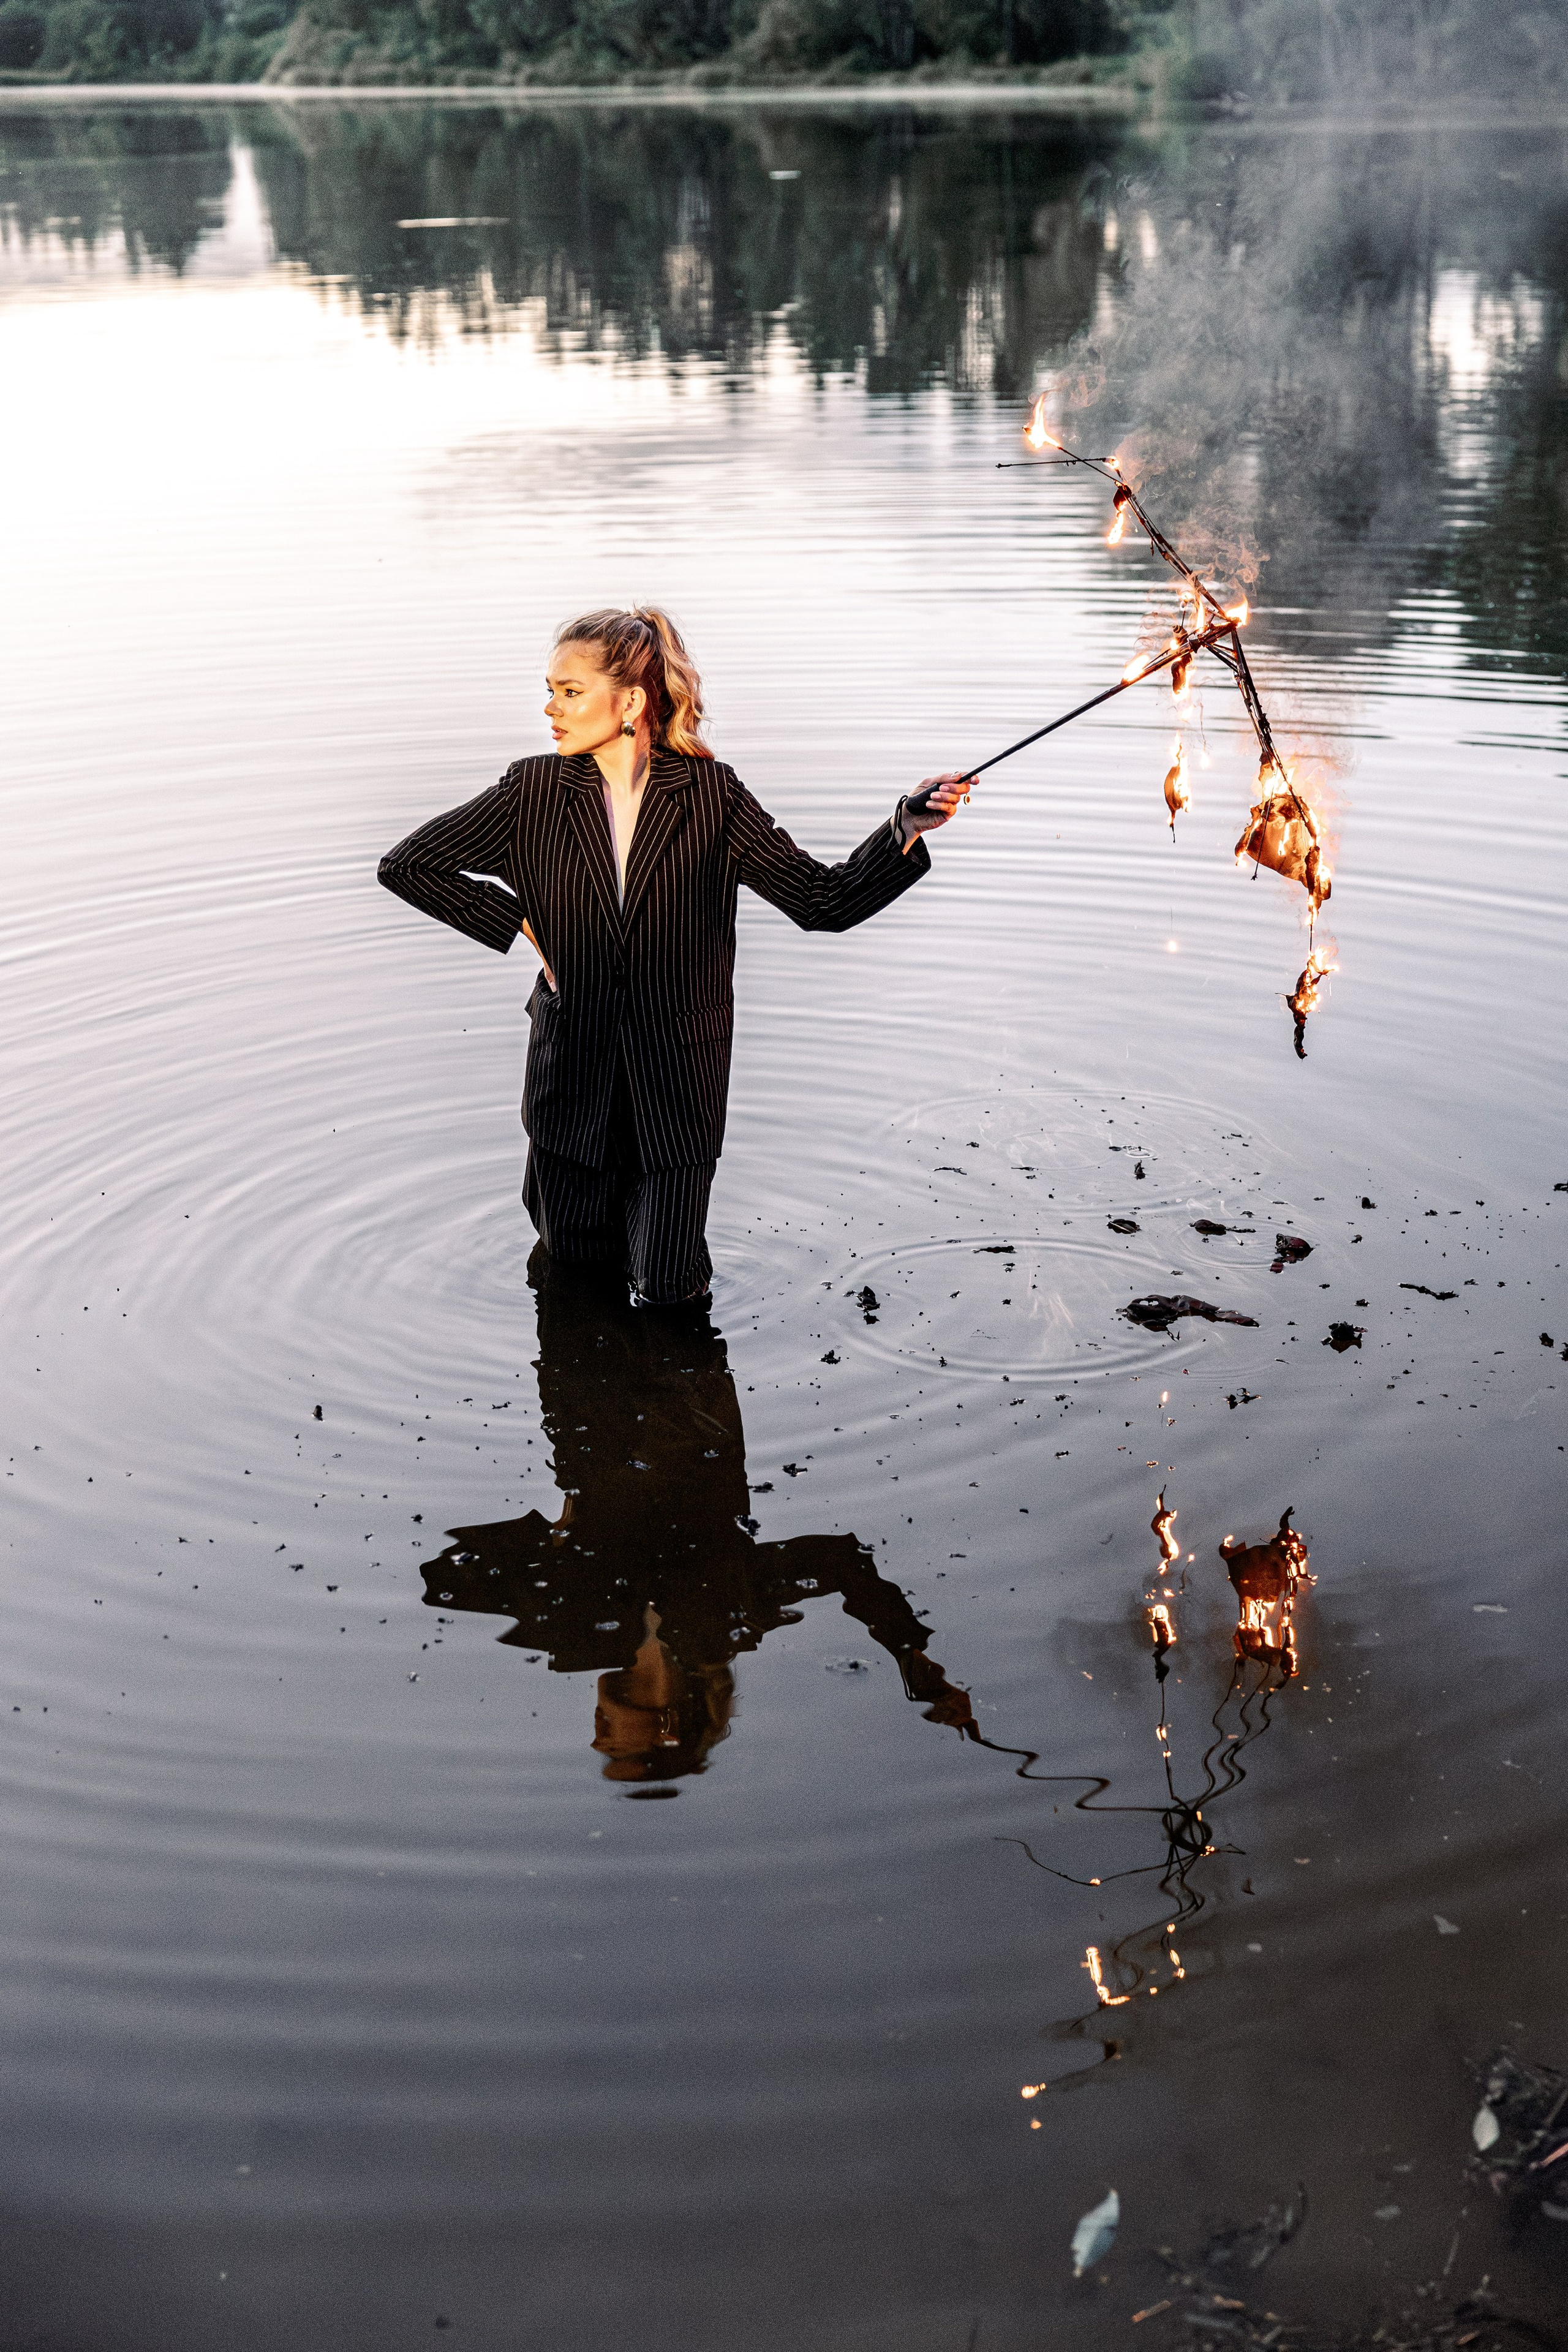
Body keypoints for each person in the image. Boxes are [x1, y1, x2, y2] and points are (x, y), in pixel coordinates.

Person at [378, 606, 971, 1305]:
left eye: (569, 691)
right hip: (570, 1087)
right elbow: (408, 865)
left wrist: (903, 825)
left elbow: (822, 902)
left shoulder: (712, 798)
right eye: (551, 689)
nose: (550, 708)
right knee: (572, 1284)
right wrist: (520, 923)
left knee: (672, 1292)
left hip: (677, 1091)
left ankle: (678, 1399)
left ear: (629, 701)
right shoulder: (530, 793)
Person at [418, 1256, 977, 1788]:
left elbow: (440, 1580)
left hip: (582, 1393)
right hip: (686, 1393)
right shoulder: (726, 1622)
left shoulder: (577, 1637)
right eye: (617, 1749)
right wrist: (909, 1649)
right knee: (659, 1254)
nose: (596, 1741)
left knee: (570, 1256)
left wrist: (552, 1541)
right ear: (667, 1732)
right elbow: (839, 1562)